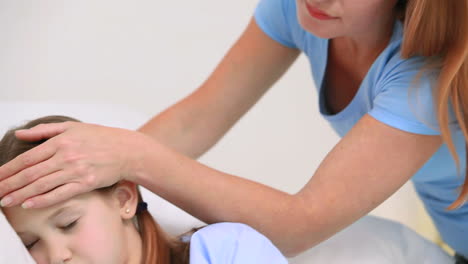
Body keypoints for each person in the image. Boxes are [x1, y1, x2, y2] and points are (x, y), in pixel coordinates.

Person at [0, 0, 467, 261]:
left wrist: (129, 155)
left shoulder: (427, 79)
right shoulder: (300, 9)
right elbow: (197, 119)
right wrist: (84, 176)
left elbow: (298, 224)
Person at [0, 116, 288, 264]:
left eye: (69, 223)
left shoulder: (226, 250)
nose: (56, 256)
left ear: (124, 199)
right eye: (29, 244)